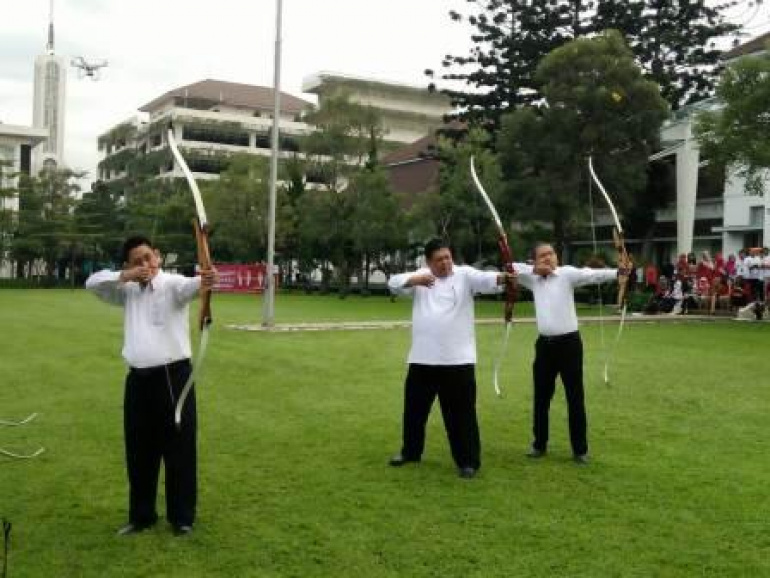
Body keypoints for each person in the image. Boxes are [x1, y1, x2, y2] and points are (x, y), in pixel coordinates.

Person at [85, 235, 216, 537]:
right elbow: (93, 283)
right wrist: (127, 276)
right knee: (139, 450)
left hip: (174, 379)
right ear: (128, 265)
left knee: (179, 449)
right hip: (138, 381)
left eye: (149, 257)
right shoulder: (127, 291)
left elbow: (193, 286)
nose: (146, 264)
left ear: (157, 255)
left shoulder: (172, 284)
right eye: (137, 261)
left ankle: (181, 518)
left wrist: (207, 279)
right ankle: (142, 516)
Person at [386, 238, 511, 479]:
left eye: (448, 257)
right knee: (414, 411)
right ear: (428, 262)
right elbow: (393, 283)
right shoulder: (421, 277)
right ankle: (410, 451)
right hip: (422, 358)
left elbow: (486, 280)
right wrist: (415, 280)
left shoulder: (465, 275)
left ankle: (468, 461)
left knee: (461, 414)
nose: (445, 263)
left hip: (458, 360)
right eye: (439, 260)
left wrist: (505, 278)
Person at [513, 242, 630, 465]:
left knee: (575, 397)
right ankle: (539, 444)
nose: (548, 258)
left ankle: (580, 450)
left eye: (551, 253)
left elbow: (592, 274)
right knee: (541, 397)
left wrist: (619, 272)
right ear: (534, 260)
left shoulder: (566, 274)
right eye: (542, 255)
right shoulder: (532, 278)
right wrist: (534, 270)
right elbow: (509, 268)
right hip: (545, 346)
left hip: (569, 345)